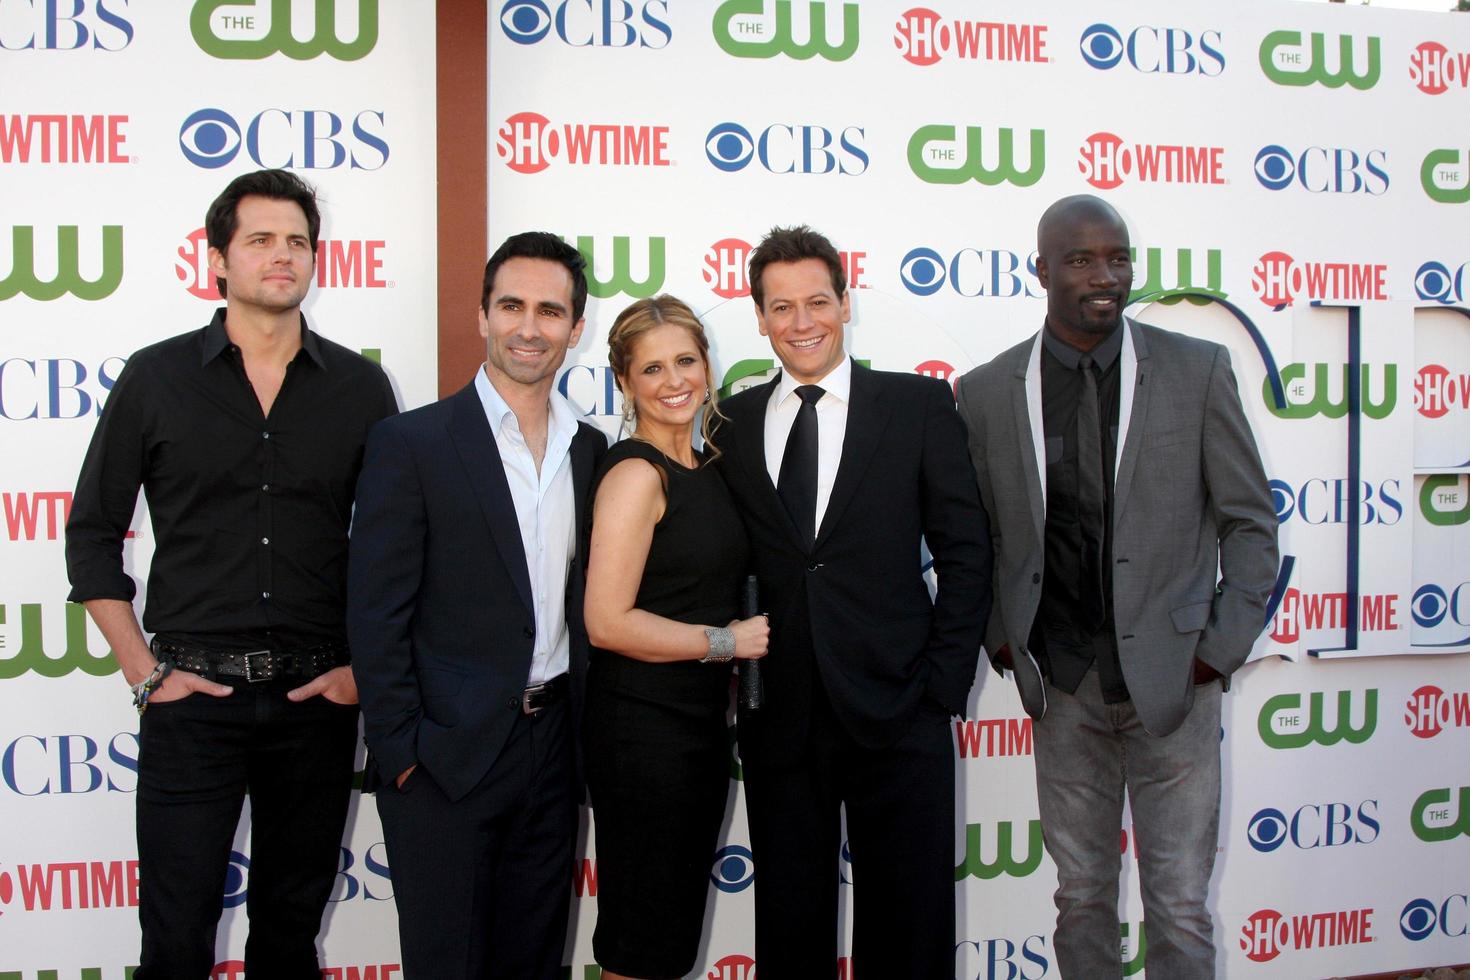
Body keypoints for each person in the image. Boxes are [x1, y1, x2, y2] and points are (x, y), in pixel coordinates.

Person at [63, 169, 398, 979]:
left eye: (297, 241)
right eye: (260, 240)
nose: (281, 256)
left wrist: (360, 671)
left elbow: (396, 549)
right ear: (217, 260)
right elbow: (91, 533)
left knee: (289, 938)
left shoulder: (359, 388)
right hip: (190, 705)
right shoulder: (157, 378)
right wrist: (143, 670)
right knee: (173, 940)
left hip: (314, 706)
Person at [955, 194, 1278, 979]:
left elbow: (1250, 523)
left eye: (1118, 258)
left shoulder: (1197, 369)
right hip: (1063, 689)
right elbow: (980, 535)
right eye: (1081, 260)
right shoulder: (989, 390)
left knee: (1179, 901)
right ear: (1040, 270)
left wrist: (1219, 650)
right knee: (1082, 896)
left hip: (1177, 687)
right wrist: (1005, 638)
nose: (1106, 276)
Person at [714, 225, 992, 978]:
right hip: (780, 717)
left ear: (846, 303)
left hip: (901, 709)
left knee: (910, 930)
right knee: (789, 928)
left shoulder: (917, 406)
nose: (801, 322)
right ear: (759, 317)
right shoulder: (729, 425)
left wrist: (941, 683)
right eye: (781, 307)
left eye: (816, 302)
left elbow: (966, 553)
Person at [347, 231, 607, 979]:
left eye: (550, 311)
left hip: (553, 750)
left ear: (575, 329)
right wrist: (402, 753)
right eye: (512, 306)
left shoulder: (589, 451)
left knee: (532, 960)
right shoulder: (412, 442)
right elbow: (376, 610)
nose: (530, 327)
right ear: (483, 317)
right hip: (443, 760)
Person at [581, 294, 769, 980]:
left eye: (685, 360)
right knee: (641, 936)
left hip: (694, 732)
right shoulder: (635, 474)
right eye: (651, 368)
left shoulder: (708, 466)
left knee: (667, 934)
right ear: (625, 383)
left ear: (708, 366)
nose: (674, 381)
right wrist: (726, 643)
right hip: (641, 734)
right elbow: (607, 621)